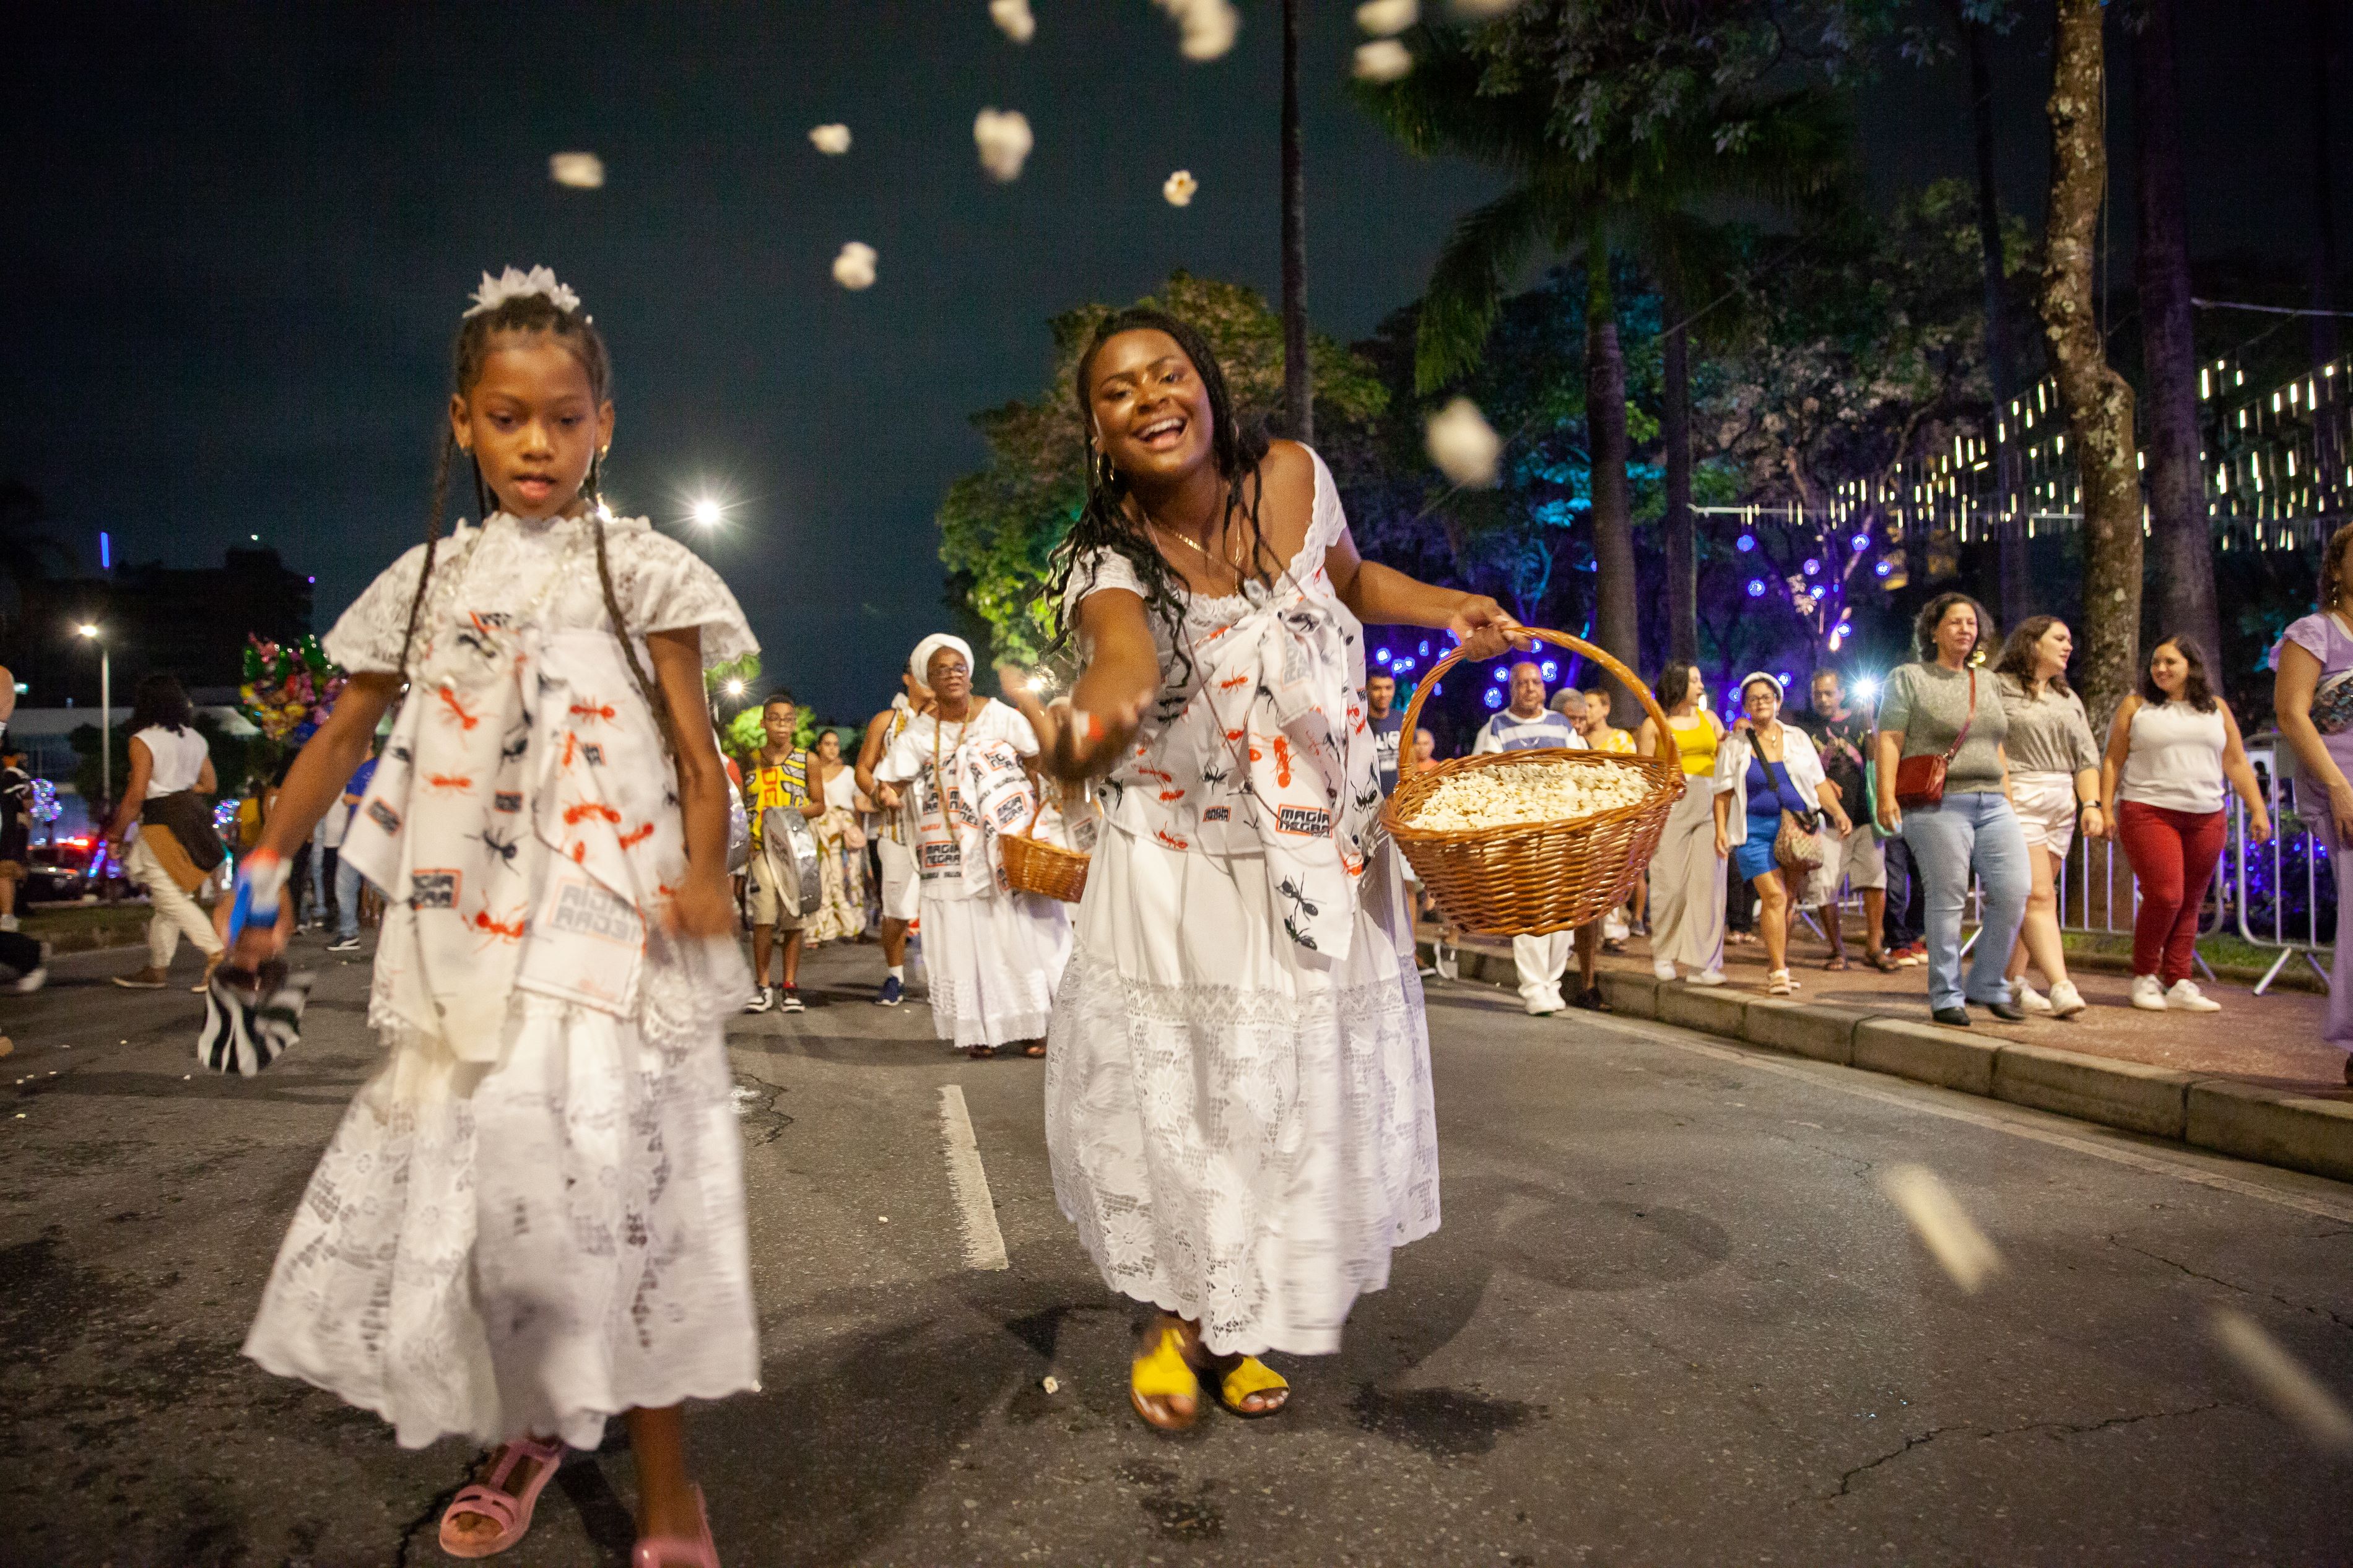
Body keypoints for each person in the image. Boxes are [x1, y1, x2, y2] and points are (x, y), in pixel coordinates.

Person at [224, 269, 756, 1567]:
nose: (537, 444)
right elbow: (340, 736)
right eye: (509, 418)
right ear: (463, 422)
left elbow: (697, 758)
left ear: (604, 427)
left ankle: (671, 1479)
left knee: (624, 1191)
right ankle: (527, 1433)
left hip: (608, 939)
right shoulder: (423, 584)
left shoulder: (646, 571)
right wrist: (259, 885)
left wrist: (702, 871)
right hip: (465, 947)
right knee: (494, 1198)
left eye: (564, 420)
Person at [1027, 306, 1524, 1432]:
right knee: (1191, 1100)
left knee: (1286, 1096)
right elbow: (1121, 654)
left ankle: (1230, 1322)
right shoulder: (1097, 558)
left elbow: (1350, 580)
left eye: (1167, 374)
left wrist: (1450, 605)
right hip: (1178, 865)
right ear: (1097, 433)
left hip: (1321, 847)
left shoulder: (1295, 474)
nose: (1150, 398)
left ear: (1209, 387)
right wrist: (1088, 720)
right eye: (1118, 391)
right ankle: (1174, 1318)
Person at [872, 635, 1071, 1058]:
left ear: (970, 671)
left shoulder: (999, 716)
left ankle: (1036, 1025)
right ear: (928, 680)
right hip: (946, 853)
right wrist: (885, 795)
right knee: (967, 940)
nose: (953, 674)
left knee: (1015, 934)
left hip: (1004, 845)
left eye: (959, 665)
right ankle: (980, 1029)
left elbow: (1038, 757)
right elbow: (889, 782)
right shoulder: (919, 733)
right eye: (942, 669)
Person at [1874, 594, 2030, 1027]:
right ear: (1934, 630)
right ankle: (1946, 993)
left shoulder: (1989, 682)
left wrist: (2008, 799)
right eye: (1955, 622)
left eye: (1971, 622)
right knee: (1947, 897)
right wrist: (1885, 795)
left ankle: (1986, 982)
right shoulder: (1909, 678)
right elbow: (1889, 739)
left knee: (2015, 889)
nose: (1965, 629)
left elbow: (1995, 744)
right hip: (1937, 802)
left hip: (1993, 800)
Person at [2101, 635, 2271, 1013]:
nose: (2160, 669)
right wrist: (2107, 808)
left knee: (2192, 900)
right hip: (2148, 810)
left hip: (2207, 814)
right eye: (2155, 662)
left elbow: (2237, 762)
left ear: (2191, 665)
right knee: (2166, 894)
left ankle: (2179, 979)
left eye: (2170, 662)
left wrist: (2257, 809)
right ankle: (2145, 975)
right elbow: (2113, 759)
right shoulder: (2136, 706)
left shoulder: (2216, 709)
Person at [2270, 521, 2353, 1080]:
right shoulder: (2315, 631)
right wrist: (2340, 787)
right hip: (2344, 782)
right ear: (2338, 569)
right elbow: (2292, 714)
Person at [1477, 662, 1604, 1013]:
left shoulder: (1561, 724)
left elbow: (1580, 770)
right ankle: (1534, 987)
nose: (1530, 688)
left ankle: (1553, 982)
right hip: (1521, 831)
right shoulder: (1496, 727)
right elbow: (1486, 776)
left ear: (1545, 689)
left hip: (1561, 828)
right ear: (1512, 689)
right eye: (1523, 683)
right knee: (1529, 908)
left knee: (1562, 908)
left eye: (1536, 682)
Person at [1712, 674, 1848, 997]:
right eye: (1754, 698)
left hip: (1797, 829)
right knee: (1773, 897)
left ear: (1778, 701)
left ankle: (1779, 960)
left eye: (1766, 697)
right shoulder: (1735, 745)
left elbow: (1818, 783)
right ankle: (1777, 971)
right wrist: (1720, 830)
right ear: (1745, 705)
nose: (1761, 702)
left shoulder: (1799, 738)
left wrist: (1838, 813)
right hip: (1754, 831)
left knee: (1786, 901)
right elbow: (1722, 793)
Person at [1993, 619, 2103, 1018]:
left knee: (2029, 899)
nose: (2068, 645)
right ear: (2031, 644)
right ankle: (2061, 985)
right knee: (2040, 895)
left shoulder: (2067, 697)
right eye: (2059, 638)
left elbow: (2087, 757)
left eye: (2071, 639)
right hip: (2020, 794)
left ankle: (2008, 982)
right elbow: (1991, 744)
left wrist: (2091, 804)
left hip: (2062, 803)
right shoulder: (1999, 688)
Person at [103, 673, 226, 994]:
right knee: (169, 899)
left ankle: (218, 954)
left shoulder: (144, 740)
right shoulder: (195, 739)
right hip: (192, 820)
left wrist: (115, 835)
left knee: (170, 898)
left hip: (161, 823)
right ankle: (157, 968)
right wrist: (181, 792)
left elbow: (135, 794)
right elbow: (210, 785)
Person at [1798, 669, 1897, 972]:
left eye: (1829, 693)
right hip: (1827, 821)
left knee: (1874, 881)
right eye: (1818, 694)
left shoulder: (1861, 720)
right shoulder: (1804, 728)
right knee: (1826, 886)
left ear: (1842, 694)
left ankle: (1874, 947)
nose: (1823, 700)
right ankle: (1836, 948)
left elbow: (1877, 761)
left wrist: (1871, 728)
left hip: (1864, 816)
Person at [1635, 662, 1728, 985]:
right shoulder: (1653, 724)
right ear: (1678, 684)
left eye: (1701, 679)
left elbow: (1727, 751)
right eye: (1694, 680)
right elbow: (1646, 775)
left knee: (1708, 884)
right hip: (1671, 805)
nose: (1701, 685)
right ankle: (1664, 953)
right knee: (1670, 883)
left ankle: (1705, 963)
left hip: (1708, 800)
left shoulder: (1711, 719)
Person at [740, 690, 824, 1013]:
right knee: (763, 918)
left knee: (793, 920)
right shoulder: (751, 758)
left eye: (787, 719)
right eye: (774, 719)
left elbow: (820, 805)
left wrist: (786, 815)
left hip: (794, 850)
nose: (781, 725)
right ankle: (763, 986)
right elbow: (742, 804)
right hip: (761, 849)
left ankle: (790, 986)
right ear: (763, 722)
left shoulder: (807, 760)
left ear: (794, 724)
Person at [854, 680, 927, 1006]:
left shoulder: (955, 719)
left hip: (945, 831)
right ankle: (895, 976)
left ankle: (949, 980)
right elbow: (863, 769)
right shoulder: (887, 721)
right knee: (896, 909)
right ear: (909, 678)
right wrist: (877, 793)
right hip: (897, 828)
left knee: (950, 907)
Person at [1575, 687, 1639, 948]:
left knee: (1612, 870)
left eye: (1591, 705)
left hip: (1614, 811)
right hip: (1583, 813)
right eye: (1584, 706)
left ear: (1606, 709)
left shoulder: (1621, 739)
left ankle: (1613, 927)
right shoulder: (1576, 738)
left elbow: (1631, 774)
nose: (1587, 711)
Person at [806, 727, 869, 944]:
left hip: (844, 831)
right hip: (820, 832)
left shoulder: (849, 773)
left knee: (850, 878)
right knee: (821, 880)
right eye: (827, 744)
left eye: (836, 744)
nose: (832, 748)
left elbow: (858, 805)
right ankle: (820, 930)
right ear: (819, 747)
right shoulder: (812, 774)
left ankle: (854, 927)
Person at [328, 745, 381, 952]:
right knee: (345, 882)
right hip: (354, 833)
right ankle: (348, 933)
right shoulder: (354, 769)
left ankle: (411, 917)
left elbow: (385, 801)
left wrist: (356, 800)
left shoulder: (379, 768)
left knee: (376, 883)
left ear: (368, 742)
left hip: (372, 832)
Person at [0, 737, 28, 933]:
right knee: (6, 871)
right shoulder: (14, 773)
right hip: (9, 827)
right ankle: (7, 916)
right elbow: (29, 802)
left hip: (8, 827)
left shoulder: (10, 773)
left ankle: (8, 915)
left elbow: (27, 802)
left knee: (6, 871)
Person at [1367, 670, 1404, 794]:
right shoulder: (1358, 723)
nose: (1383, 694)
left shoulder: (1401, 719)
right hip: (1368, 797)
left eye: (1388, 688)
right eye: (1377, 688)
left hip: (1399, 797)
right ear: (1367, 689)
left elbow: (1411, 759)